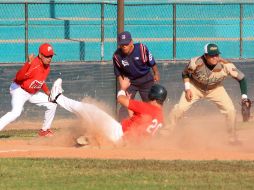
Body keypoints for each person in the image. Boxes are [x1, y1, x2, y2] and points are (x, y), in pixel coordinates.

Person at [49, 77, 167, 145]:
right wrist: (129, 104)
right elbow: (136, 120)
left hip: (117, 132)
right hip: (126, 143)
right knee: (95, 122)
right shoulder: (161, 119)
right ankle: (91, 139)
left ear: (153, 97)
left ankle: (57, 97)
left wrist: (122, 88)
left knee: (90, 109)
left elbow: (120, 99)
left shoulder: (147, 108)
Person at [169, 43, 249, 143]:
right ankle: (167, 133)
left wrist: (244, 98)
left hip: (215, 89)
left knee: (230, 111)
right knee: (179, 109)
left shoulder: (226, 65)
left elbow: (242, 78)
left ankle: (232, 138)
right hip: (195, 87)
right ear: (205, 56)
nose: (215, 57)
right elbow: (185, 73)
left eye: (217, 54)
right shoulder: (195, 62)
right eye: (212, 55)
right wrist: (187, 88)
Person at [0, 43, 57, 137]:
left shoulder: (47, 66)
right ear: (40, 55)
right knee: (16, 112)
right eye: (47, 56)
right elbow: (18, 77)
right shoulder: (33, 64)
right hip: (19, 90)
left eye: (51, 56)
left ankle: (44, 130)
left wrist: (47, 91)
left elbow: (40, 80)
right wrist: (28, 64)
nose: (49, 58)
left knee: (52, 104)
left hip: (32, 92)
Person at [112, 31, 160, 121]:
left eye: (126, 43)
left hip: (146, 79)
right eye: (122, 44)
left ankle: (156, 125)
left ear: (131, 42)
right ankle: (122, 127)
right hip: (131, 82)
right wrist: (123, 86)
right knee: (125, 105)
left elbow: (151, 62)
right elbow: (118, 73)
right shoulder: (117, 56)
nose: (124, 46)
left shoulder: (141, 48)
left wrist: (156, 73)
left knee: (150, 104)